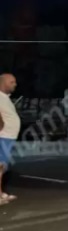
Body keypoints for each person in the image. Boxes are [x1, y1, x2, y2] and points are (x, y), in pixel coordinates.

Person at [0, 74, 19, 203]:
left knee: (2, 167)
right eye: (12, 82)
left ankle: (0, 193)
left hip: (8, 137)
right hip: (3, 136)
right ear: (3, 83)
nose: (15, 84)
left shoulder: (4, 97)